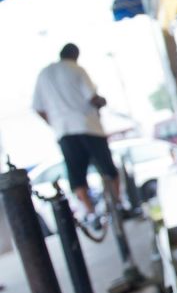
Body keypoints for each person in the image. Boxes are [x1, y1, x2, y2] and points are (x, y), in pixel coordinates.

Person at [33, 43, 121, 224]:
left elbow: (38, 108)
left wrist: (55, 124)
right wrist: (102, 101)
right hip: (88, 126)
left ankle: (91, 213)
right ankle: (116, 205)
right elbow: (92, 98)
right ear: (75, 55)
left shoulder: (44, 74)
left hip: (64, 131)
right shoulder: (76, 69)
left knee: (76, 176)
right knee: (109, 170)